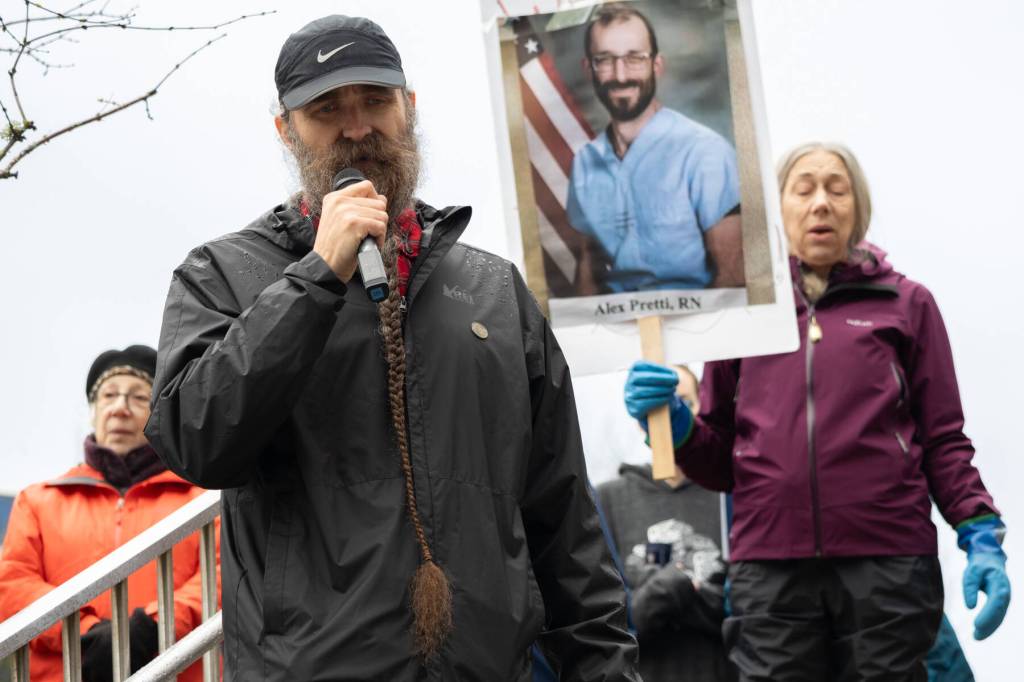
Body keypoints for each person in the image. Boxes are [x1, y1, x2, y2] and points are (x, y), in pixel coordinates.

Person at [144, 15, 639, 681]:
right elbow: (193, 440)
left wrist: (606, 668)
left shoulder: (493, 290)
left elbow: (563, 517)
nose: (356, 128)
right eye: (326, 110)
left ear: (409, 109)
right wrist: (317, 279)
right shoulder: (223, 276)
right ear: (285, 130)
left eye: (374, 101)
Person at [622, 142, 1010, 680]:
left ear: (859, 207)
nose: (820, 202)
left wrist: (980, 533)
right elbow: (717, 461)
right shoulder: (745, 314)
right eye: (803, 189)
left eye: (837, 187)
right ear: (778, 210)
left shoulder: (907, 305)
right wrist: (675, 424)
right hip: (769, 574)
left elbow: (944, 440)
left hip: (889, 567)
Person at [0, 345, 215, 682]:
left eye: (139, 398)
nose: (120, 409)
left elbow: (221, 575)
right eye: (108, 395)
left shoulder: (200, 501)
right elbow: (12, 584)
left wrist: (153, 625)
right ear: (93, 412)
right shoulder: (38, 501)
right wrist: (84, 632)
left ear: (159, 412)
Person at [566, 2, 743, 294]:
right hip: (614, 332)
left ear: (656, 65)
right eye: (605, 60)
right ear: (589, 68)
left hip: (695, 328)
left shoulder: (705, 152)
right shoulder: (584, 162)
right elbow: (587, 266)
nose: (620, 75)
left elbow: (734, 278)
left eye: (634, 58)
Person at [601, 365, 735, 682]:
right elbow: (615, 617)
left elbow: (741, 609)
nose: (670, 413)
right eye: (657, 405)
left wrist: (654, 594)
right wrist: (680, 585)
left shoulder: (728, 493)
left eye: (684, 402)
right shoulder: (608, 500)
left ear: (703, 407)